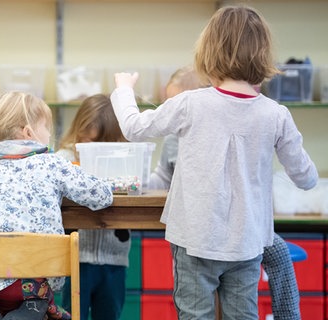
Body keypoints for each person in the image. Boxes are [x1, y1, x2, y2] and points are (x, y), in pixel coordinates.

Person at [110, 5, 318, 319]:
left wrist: (124, 90)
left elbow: (134, 128)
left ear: (209, 52)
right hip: (247, 243)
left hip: (194, 239)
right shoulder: (276, 115)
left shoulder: (191, 103)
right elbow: (306, 178)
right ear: (262, 55)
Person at [0, 91, 113, 320]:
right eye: (47, 127)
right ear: (28, 132)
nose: (50, 134)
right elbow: (101, 195)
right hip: (33, 284)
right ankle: (31, 311)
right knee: (37, 294)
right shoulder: (53, 163)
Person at [153, 66, 303, 320]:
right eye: (169, 103)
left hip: (242, 230)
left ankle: (289, 315)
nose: (173, 112)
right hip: (200, 232)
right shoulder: (171, 140)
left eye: (177, 103)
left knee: (277, 252)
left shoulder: (238, 124)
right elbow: (162, 176)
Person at [55, 94, 130, 320]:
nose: (91, 148)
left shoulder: (124, 160)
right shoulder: (64, 159)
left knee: (109, 314)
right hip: (75, 260)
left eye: (99, 144)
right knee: (71, 315)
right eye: (86, 141)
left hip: (114, 259)